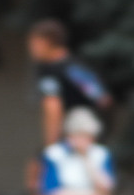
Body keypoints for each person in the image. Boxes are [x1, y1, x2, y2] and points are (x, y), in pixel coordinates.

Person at [27, 19, 111, 153]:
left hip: (73, 138)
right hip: (92, 137)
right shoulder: (77, 66)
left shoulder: (50, 70)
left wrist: (50, 146)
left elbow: (52, 106)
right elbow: (104, 100)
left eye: (34, 43)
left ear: (47, 42)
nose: (31, 49)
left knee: (36, 164)